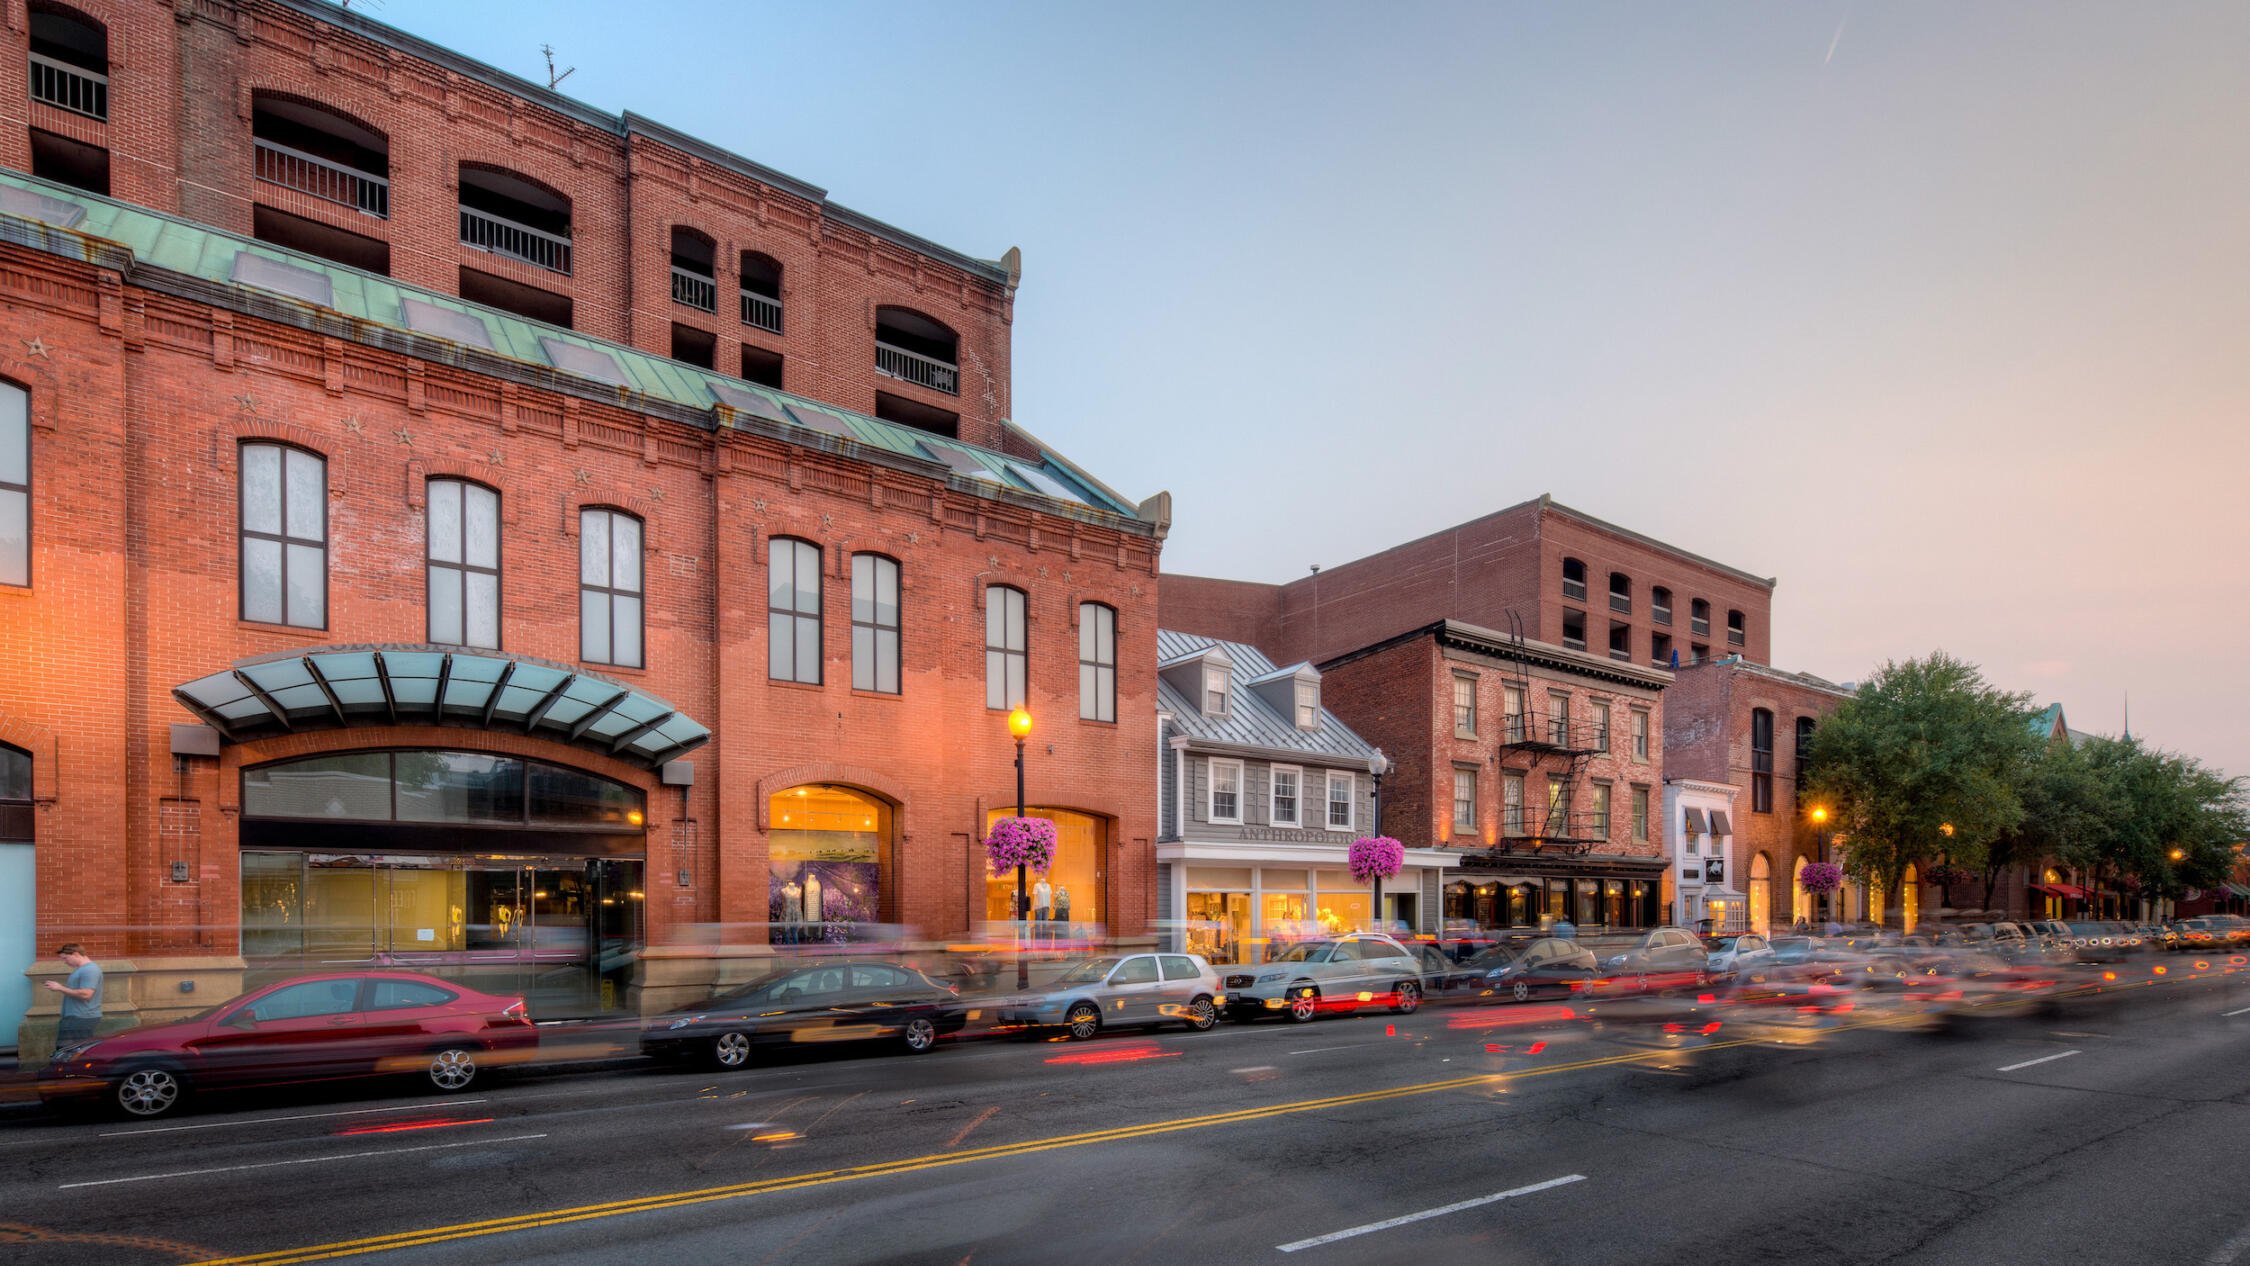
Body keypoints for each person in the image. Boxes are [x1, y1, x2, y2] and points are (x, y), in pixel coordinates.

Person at [45, 943, 102, 1044]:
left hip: (81, 1018)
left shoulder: (90, 970)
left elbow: (86, 994)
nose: (64, 962)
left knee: (74, 1052)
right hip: (76, 1018)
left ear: (75, 954)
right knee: (67, 1052)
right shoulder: (81, 969)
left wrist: (60, 987)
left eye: (65, 958)